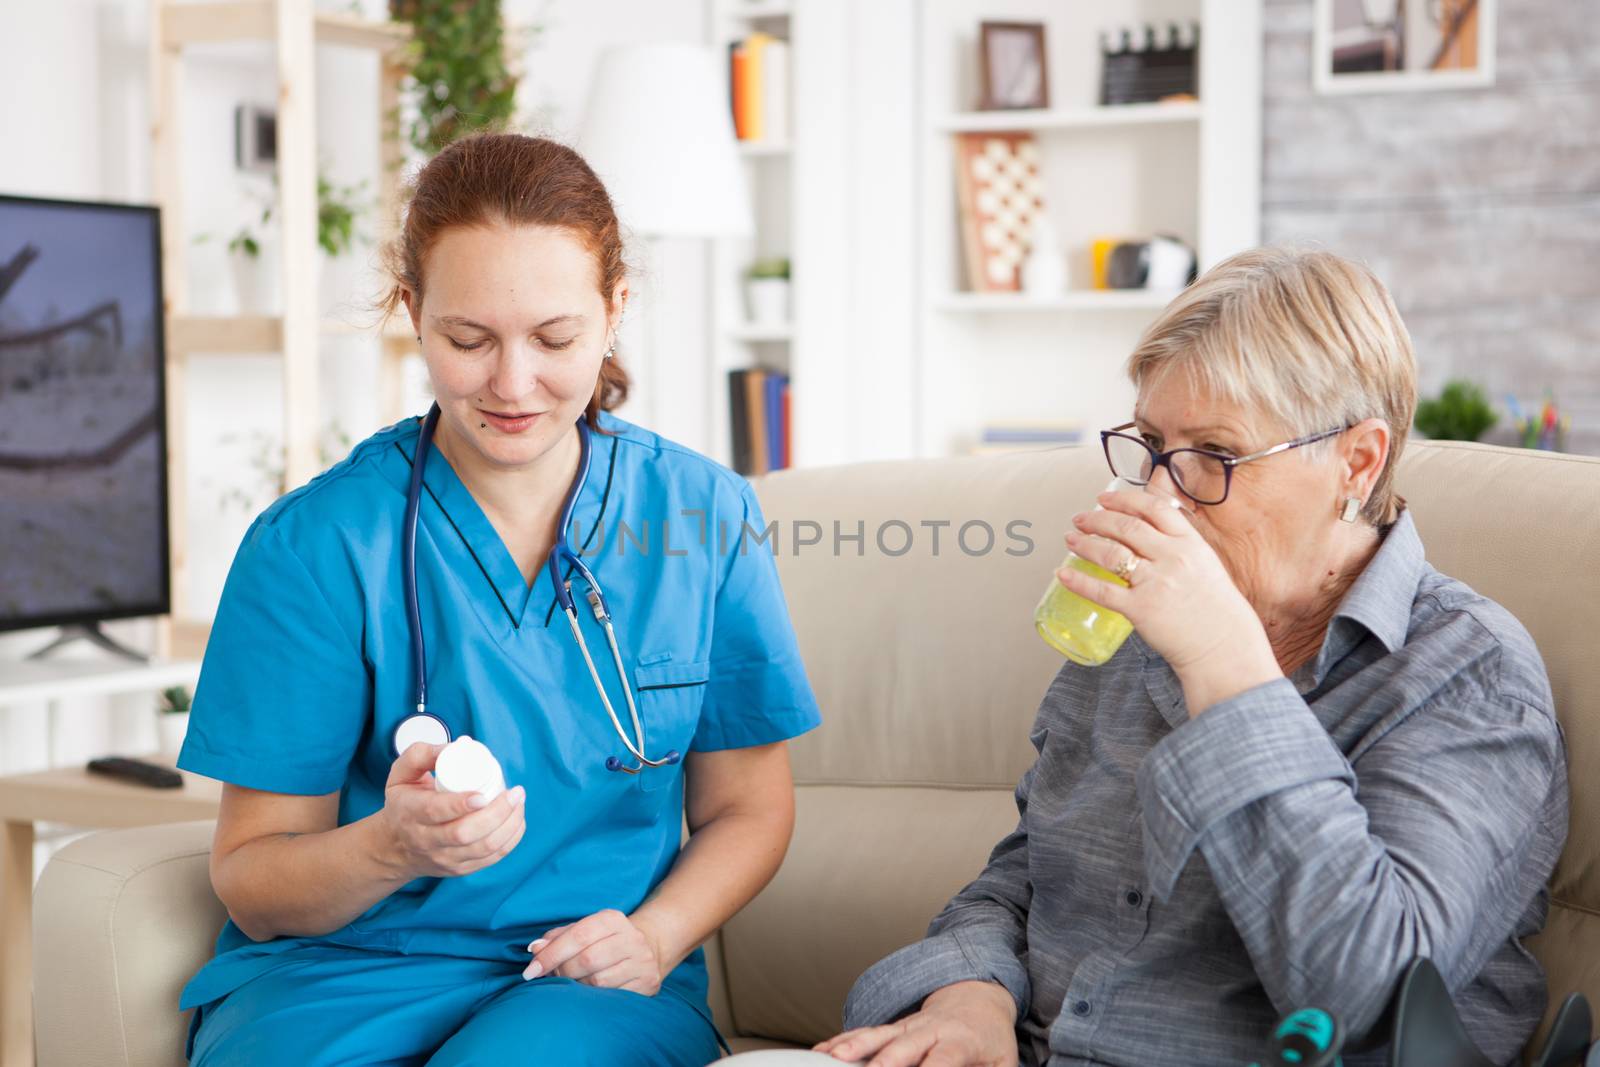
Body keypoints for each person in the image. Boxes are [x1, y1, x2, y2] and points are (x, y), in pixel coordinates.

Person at [812, 248, 1567, 1066]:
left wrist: (1222, 661)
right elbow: (1031, 871)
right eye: (1152, 444)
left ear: (1356, 460)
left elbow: (1370, 999)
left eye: (1216, 453)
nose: (1161, 495)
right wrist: (970, 998)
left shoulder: (1467, 674)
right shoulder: (1132, 635)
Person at [176, 132, 821, 1066]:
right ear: (413, 312)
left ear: (614, 310)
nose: (513, 385)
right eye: (468, 339)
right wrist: (392, 848)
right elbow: (253, 878)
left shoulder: (702, 515)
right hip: (340, 974)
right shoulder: (316, 546)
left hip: (584, 983)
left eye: (555, 339)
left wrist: (658, 934)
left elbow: (750, 808)